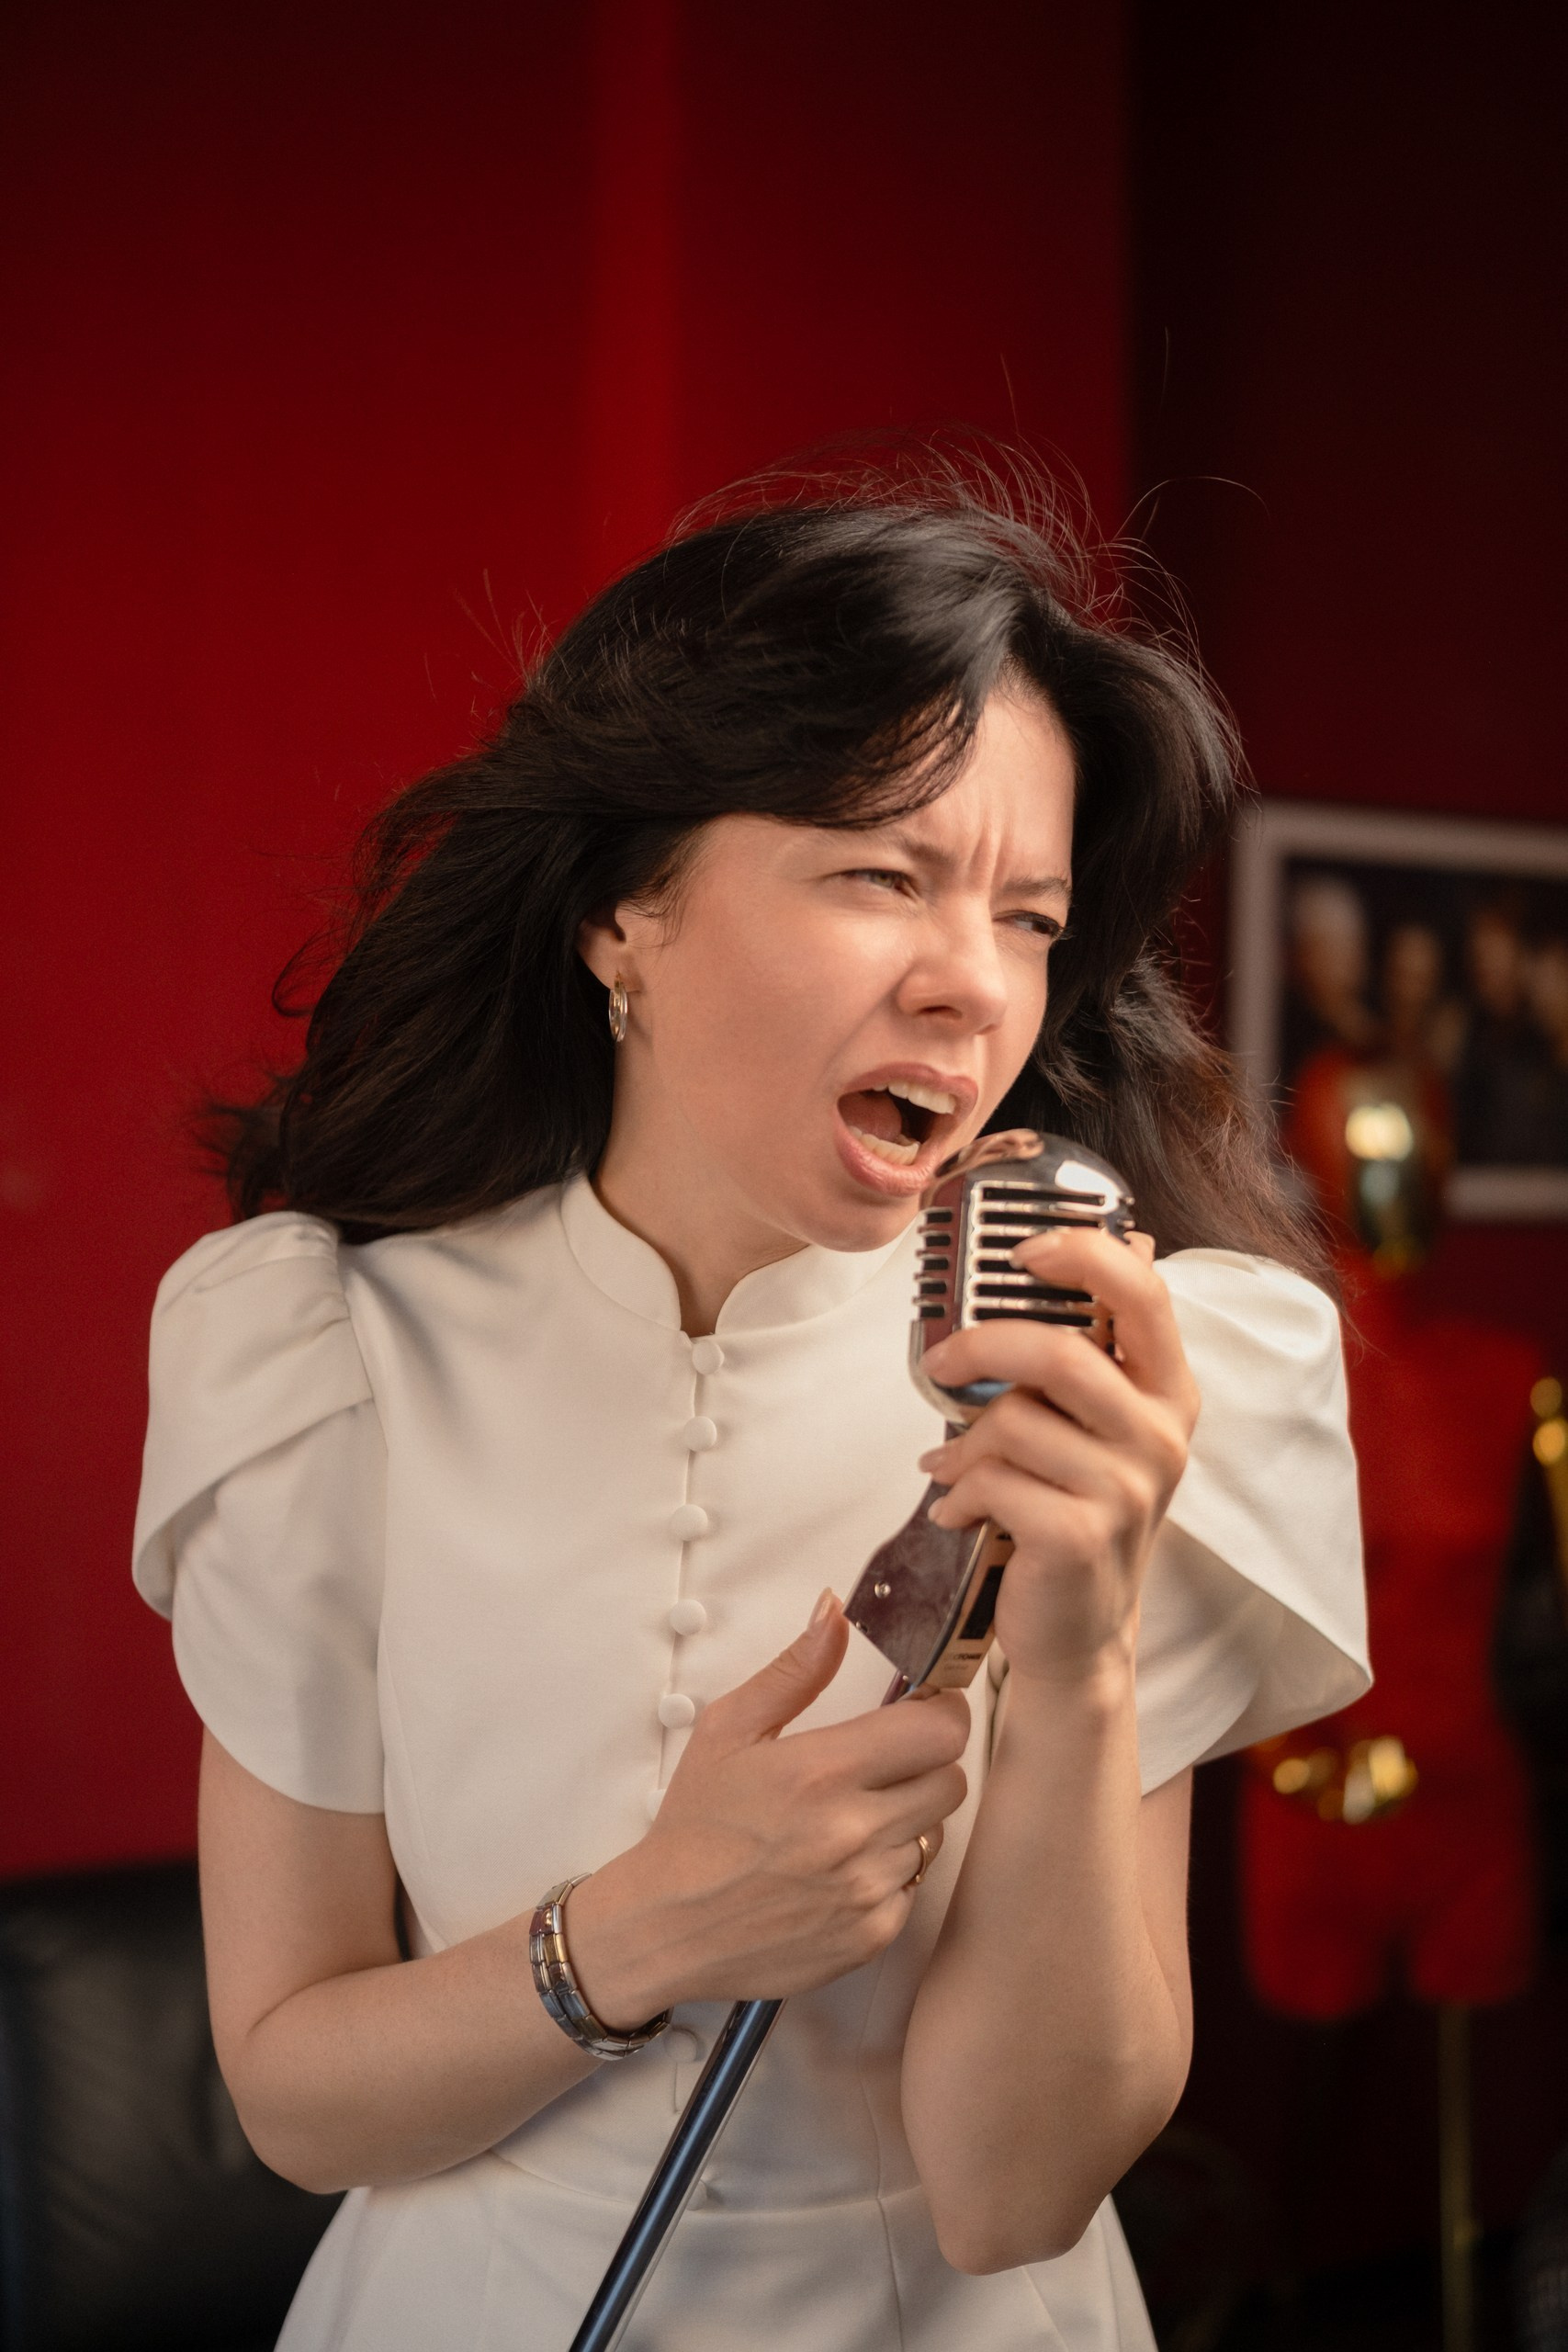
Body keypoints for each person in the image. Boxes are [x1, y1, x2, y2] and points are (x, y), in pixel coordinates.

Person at [131, 474, 1368, 2352]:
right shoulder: (330, 1355)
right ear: (622, 910)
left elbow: (1016, 2188)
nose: (971, 984)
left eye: (1029, 916)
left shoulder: (1114, 1381)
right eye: (880, 874)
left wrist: (1085, 1654)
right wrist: (648, 1927)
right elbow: (300, 2097)